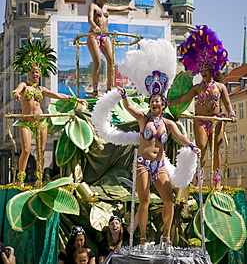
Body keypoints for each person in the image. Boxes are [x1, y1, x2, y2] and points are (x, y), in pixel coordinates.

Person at [92, 38, 201, 245]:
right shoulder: (143, 119)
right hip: (142, 164)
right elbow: (129, 110)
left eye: (157, 102)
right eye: (152, 102)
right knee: (144, 201)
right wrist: (122, 97)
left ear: (163, 104)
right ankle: (142, 238)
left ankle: (166, 237)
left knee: (169, 201)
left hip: (159, 166)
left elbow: (180, 136)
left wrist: (192, 146)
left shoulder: (168, 123)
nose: (154, 104)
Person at [169, 25, 237, 190]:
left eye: (205, 69)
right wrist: (167, 103)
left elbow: (227, 103)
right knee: (201, 149)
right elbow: (183, 98)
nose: (202, 71)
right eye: (201, 69)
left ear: (212, 70)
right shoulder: (197, 88)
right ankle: (198, 180)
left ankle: (217, 181)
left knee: (216, 150)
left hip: (217, 121)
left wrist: (232, 114)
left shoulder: (220, 87)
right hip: (200, 121)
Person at [12, 39, 87, 187]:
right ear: (28, 73)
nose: (35, 75)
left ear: (40, 74)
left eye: (37, 73)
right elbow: (16, 90)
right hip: (26, 122)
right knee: (26, 150)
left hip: (41, 121)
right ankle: (20, 179)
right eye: (33, 72)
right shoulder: (24, 86)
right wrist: (16, 94)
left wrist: (76, 99)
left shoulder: (41, 90)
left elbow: (59, 95)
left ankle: (39, 179)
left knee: (40, 151)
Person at [87, 0, 136, 98]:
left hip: (106, 37)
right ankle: (95, 91)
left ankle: (110, 88)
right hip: (94, 36)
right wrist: (95, 27)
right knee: (97, 62)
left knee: (111, 61)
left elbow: (118, 8)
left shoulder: (106, 8)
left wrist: (128, 7)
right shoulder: (93, 6)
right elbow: (90, 19)